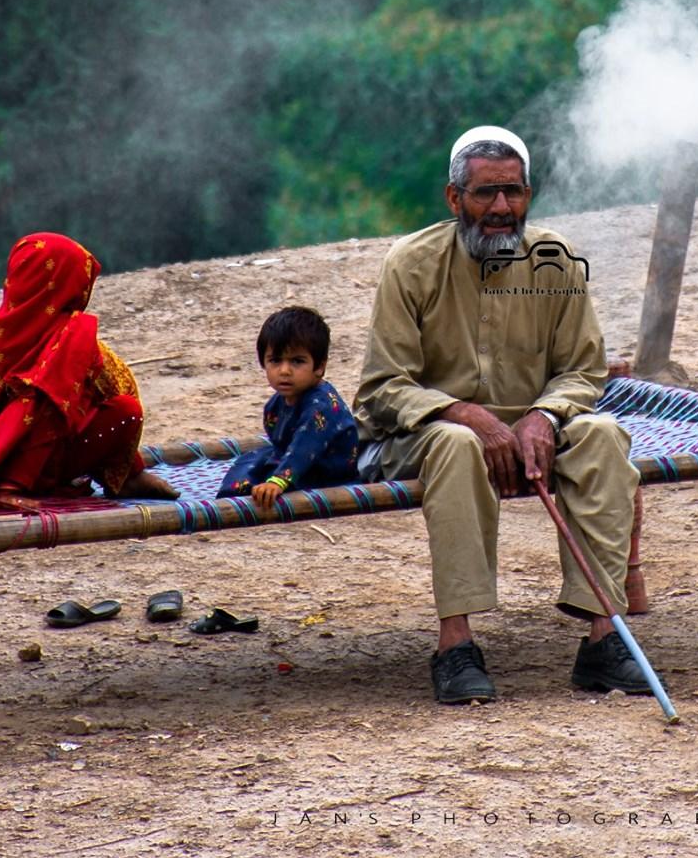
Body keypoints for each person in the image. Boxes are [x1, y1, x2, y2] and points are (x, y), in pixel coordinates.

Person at [354, 125, 648, 704]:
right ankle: (455, 645)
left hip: (532, 428)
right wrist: (467, 415)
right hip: (426, 433)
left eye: (513, 193)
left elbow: (583, 371)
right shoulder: (410, 263)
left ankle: (603, 638)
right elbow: (383, 388)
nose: (500, 208)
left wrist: (542, 416)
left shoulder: (556, 260)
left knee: (604, 435)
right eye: (486, 194)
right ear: (454, 198)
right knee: (457, 444)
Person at [0, 232, 179, 503]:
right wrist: (5, 485)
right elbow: (37, 404)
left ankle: (126, 478)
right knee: (122, 410)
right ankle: (12, 484)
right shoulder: (71, 334)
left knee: (99, 402)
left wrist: (132, 469)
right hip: (4, 469)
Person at [218, 306, 362, 514]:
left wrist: (277, 482)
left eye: (297, 361)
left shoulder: (321, 407)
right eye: (275, 360)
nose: (284, 371)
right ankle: (233, 500)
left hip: (325, 474)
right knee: (250, 460)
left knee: (268, 472)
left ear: (319, 367)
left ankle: (256, 495)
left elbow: (303, 449)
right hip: (289, 458)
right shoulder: (276, 404)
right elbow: (279, 445)